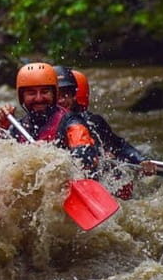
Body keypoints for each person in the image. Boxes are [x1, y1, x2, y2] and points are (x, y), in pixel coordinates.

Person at [58, 66, 155, 198]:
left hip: (97, 175)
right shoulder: (42, 123)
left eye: (65, 95)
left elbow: (119, 145)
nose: (61, 101)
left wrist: (140, 160)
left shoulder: (92, 121)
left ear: (75, 96)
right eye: (57, 96)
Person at [0, 62, 98, 168]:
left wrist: (50, 156)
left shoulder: (71, 122)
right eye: (31, 93)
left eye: (45, 92)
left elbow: (87, 157)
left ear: (54, 94)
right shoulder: (17, 127)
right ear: (22, 97)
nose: (38, 98)